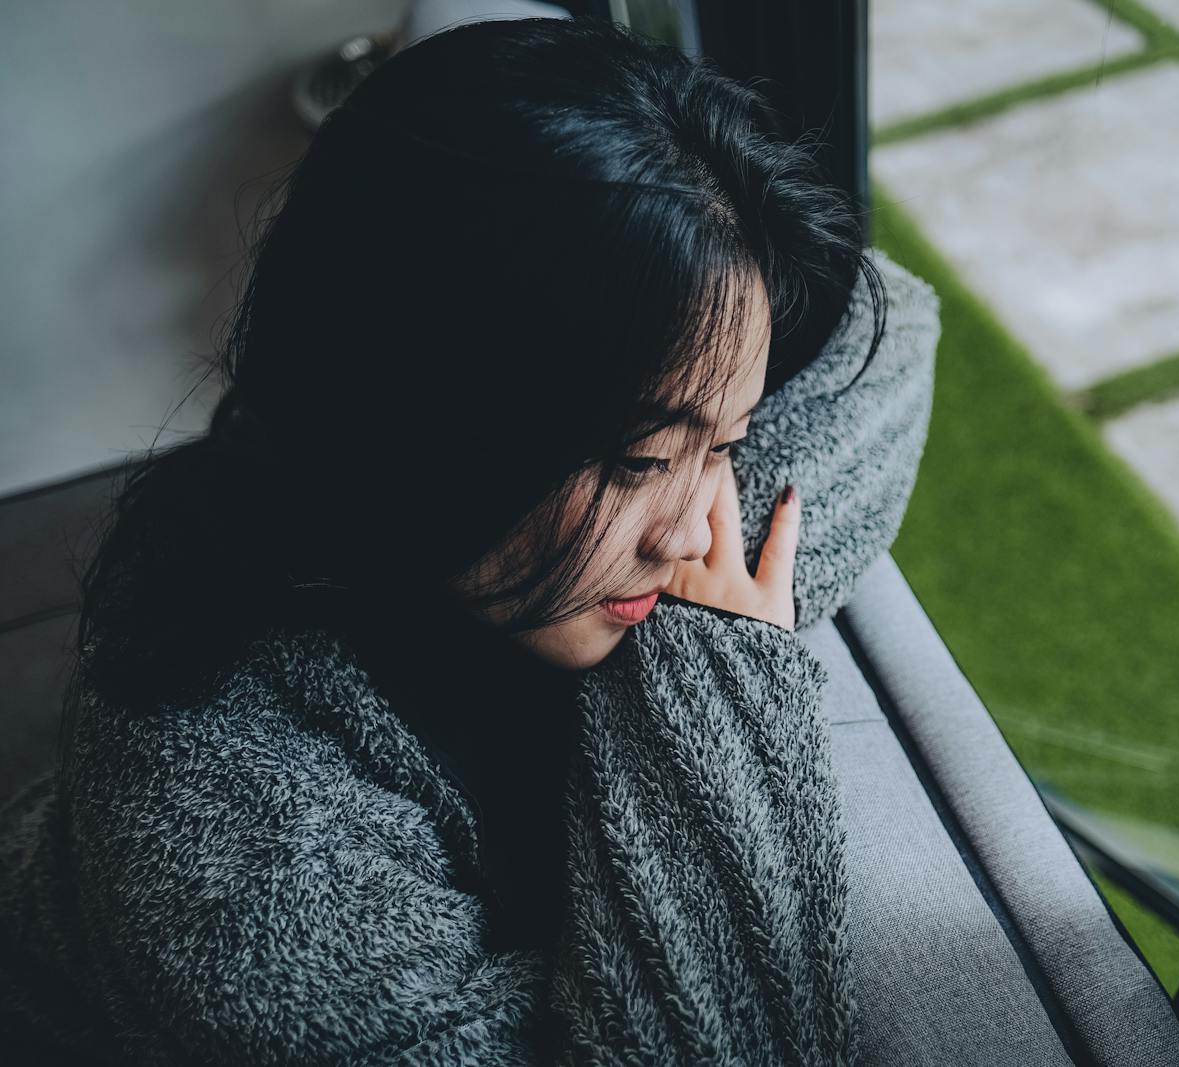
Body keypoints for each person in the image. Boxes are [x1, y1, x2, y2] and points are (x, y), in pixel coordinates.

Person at [0, 15, 941, 1064]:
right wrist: (719, 678)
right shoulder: (244, 839)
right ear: (427, 420)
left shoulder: (559, 548)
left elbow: (887, 326)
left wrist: (692, 633)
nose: (690, 538)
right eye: (637, 460)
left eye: (729, 444)